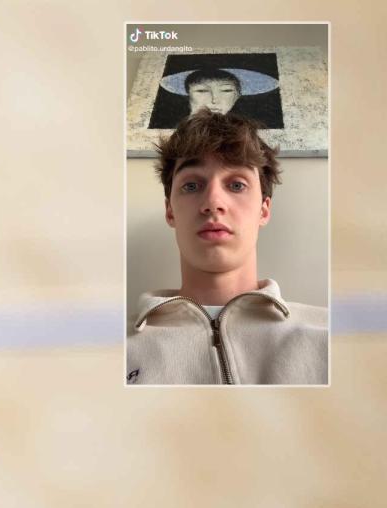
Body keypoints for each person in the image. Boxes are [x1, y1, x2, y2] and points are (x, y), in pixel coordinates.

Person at [127, 110, 327, 385]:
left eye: (236, 184)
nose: (213, 202)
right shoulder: (106, 349)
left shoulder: (334, 337)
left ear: (264, 210)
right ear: (170, 211)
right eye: (192, 185)